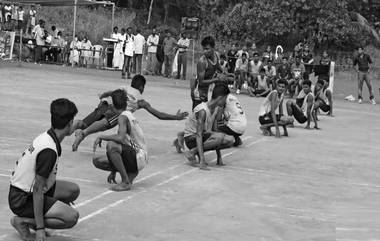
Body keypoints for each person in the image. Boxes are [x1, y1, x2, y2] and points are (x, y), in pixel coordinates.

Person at [8, 98, 80, 241]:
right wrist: (41, 228)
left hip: (21, 190)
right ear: (70, 123)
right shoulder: (49, 151)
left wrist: (92, 117)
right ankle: (24, 221)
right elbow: (37, 190)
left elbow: (76, 125)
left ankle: (37, 216)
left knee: (73, 190)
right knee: (71, 217)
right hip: (22, 199)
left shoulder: (49, 136)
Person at [72, 75, 188, 152]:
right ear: (142, 87)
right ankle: (83, 133)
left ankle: (76, 127)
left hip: (104, 104)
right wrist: (176, 117)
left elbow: (110, 92)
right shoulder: (140, 100)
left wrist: (102, 95)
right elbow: (159, 115)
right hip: (115, 109)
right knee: (106, 123)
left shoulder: (124, 87)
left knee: (85, 122)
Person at [93, 90, 147, 191]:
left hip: (138, 156)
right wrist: (113, 171)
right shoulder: (127, 114)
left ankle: (125, 182)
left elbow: (120, 138)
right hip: (140, 155)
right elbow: (122, 140)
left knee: (111, 146)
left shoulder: (122, 117)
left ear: (112, 105)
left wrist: (102, 136)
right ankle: (130, 172)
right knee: (98, 160)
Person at [183, 84, 235, 169]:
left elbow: (216, 131)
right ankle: (193, 152)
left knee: (230, 140)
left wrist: (219, 157)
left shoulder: (216, 109)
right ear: (220, 98)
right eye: (225, 99)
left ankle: (195, 151)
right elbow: (199, 135)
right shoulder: (202, 111)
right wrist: (202, 161)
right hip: (191, 138)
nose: (225, 102)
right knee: (220, 137)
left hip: (202, 136)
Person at [191, 36, 225, 109]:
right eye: (203, 49)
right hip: (198, 93)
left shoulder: (216, 55)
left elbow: (217, 65)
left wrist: (224, 73)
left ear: (213, 48)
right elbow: (201, 82)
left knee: (206, 116)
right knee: (198, 118)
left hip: (205, 92)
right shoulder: (202, 62)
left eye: (207, 49)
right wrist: (216, 79)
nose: (204, 51)